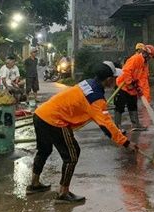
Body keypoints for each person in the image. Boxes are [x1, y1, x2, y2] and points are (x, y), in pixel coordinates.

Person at [27, 61, 136, 203]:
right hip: (55, 121)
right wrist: (126, 143)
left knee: (44, 150)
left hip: (41, 114)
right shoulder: (96, 99)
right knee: (72, 155)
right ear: (109, 80)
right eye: (114, 77)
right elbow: (107, 126)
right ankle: (63, 193)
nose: (116, 80)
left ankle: (34, 184)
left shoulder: (88, 82)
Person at [114, 44, 154, 131]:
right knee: (119, 106)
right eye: (150, 56)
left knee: (133, 105)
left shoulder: (145, 64)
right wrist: (130, 82)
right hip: (123, 86)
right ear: (145, 53)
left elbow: (143, 79)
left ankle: (136, 125)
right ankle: (116, 126)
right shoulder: (135, 59)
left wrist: (145, 96)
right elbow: (126, 71)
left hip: (132, 88)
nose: (150, 59)